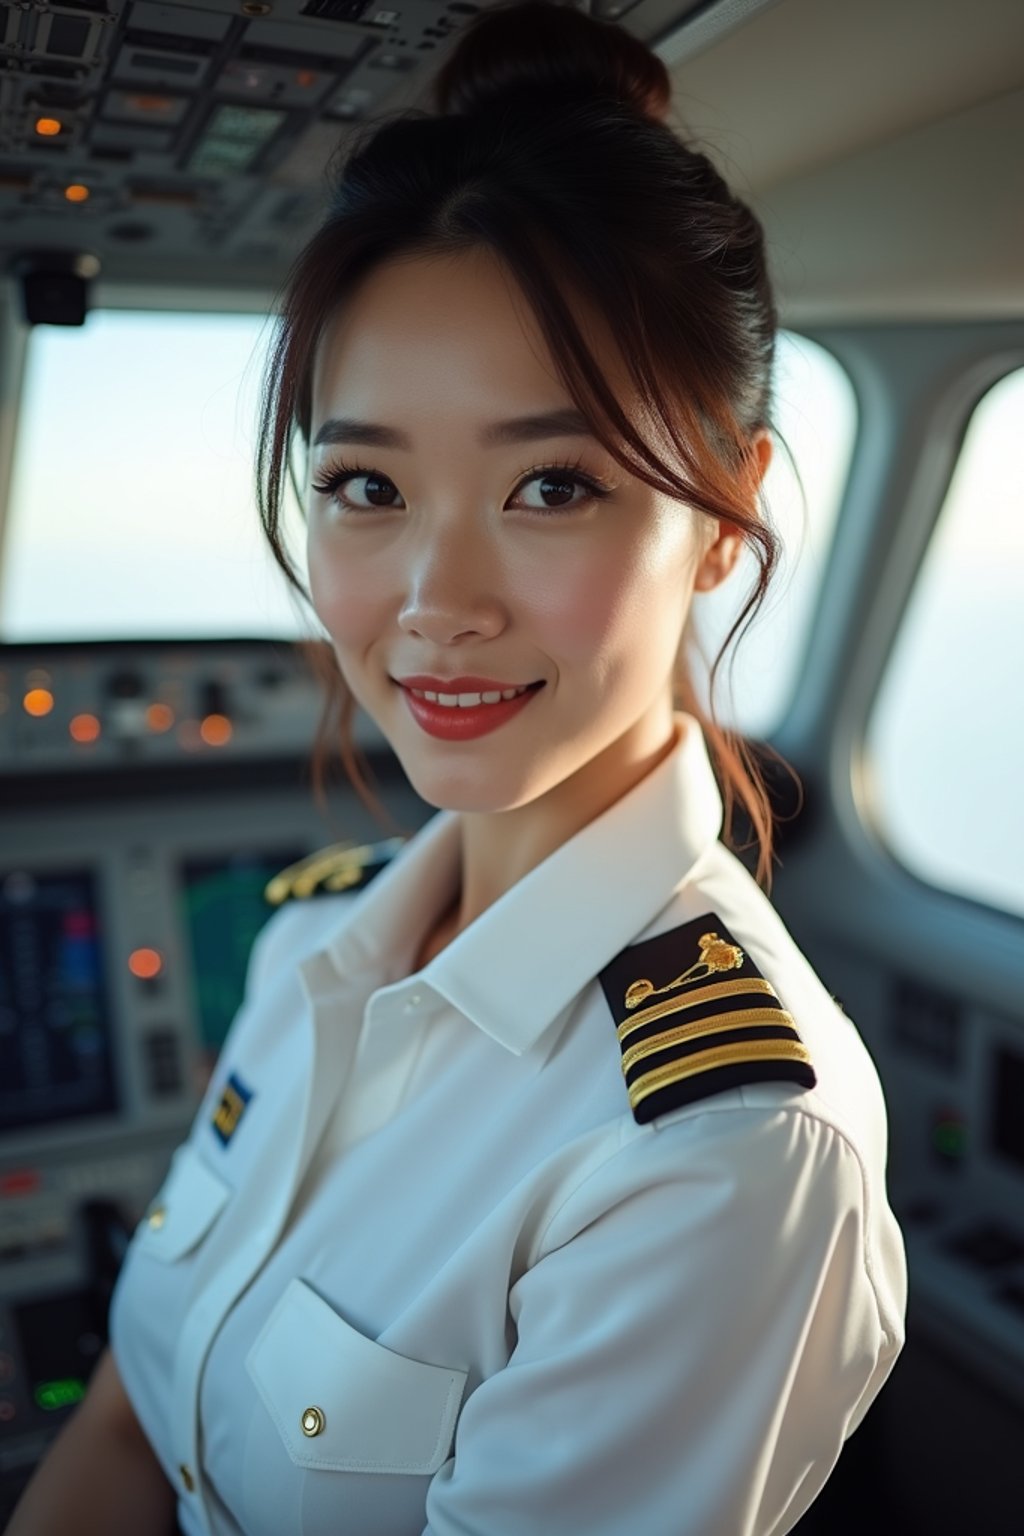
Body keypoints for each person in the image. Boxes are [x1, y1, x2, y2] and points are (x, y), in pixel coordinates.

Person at [8, 2, 908, 1533]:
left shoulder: (722, 1150)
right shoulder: (313, 941)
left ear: (728, 514)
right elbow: (124, 1422)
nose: (436, 601)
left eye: (552, 484)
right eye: (365, 483)